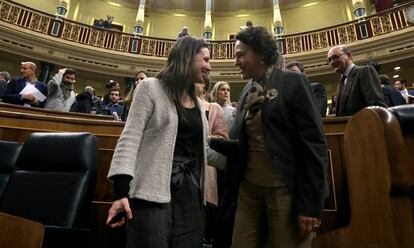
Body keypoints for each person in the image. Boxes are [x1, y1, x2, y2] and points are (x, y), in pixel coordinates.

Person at [211, 26, 328, 248]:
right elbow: (247, 143)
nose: (236, 62)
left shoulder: (293, 83)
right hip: (248, 191)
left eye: (240, 55)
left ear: (261, 54)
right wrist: (214, 144)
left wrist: (310, 206)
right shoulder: (247, 90)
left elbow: (314, 146)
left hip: (285, 191)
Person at [106, 35, 226, 248]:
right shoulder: (150, 88)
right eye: (206, 59)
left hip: (190, 194)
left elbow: (201, 151)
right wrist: (120, 192)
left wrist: (240, 156)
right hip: (151, 193)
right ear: (188, 57)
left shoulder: (199, 105)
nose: (209, 66)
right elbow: (130, 138)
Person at [195, 75, 228, 247]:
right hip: (182, 172)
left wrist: (202, 137)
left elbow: (223, 138)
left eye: (199, 82)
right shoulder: (180, 103)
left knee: (203, 222)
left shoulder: (214, 108)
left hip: (207, 168)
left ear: (205, 87)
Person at [327, 45, 386, 116]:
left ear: (349, 55)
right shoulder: (341, 82)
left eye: (335, 57)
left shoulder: (364, 71)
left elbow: (377, 106)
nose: (332, 62)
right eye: (329, 60)